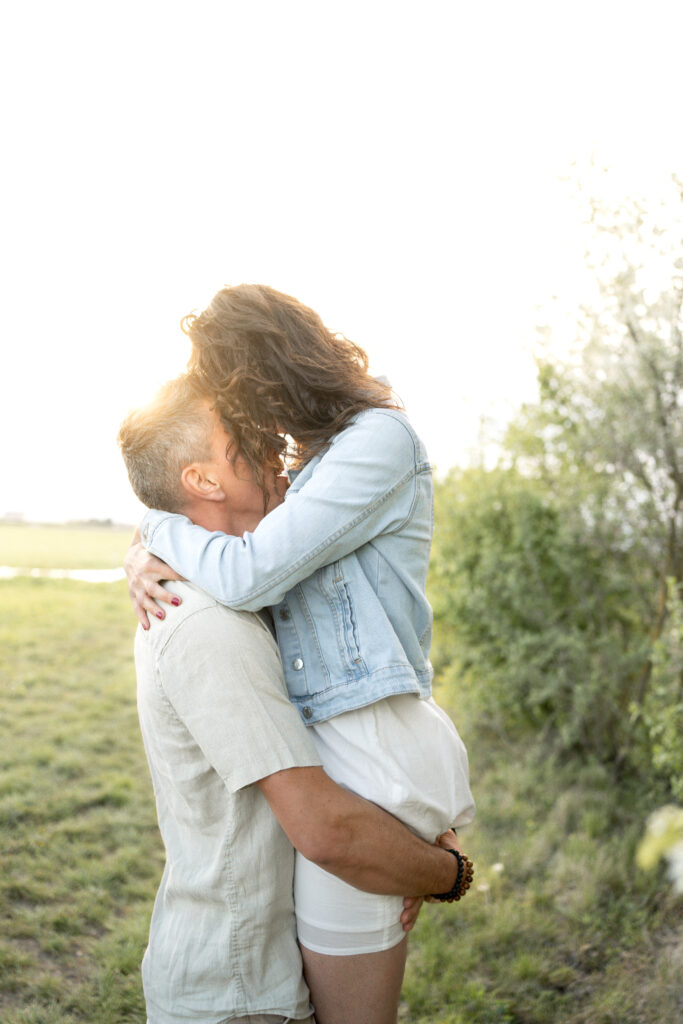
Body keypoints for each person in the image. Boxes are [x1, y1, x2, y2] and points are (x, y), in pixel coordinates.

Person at [124, 285, 475, 1024]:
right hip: (343, 752)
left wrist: (157, 529)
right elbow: (233, 536)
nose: (256, 433)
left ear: (262, 371)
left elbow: (251, 568)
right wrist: (149, 534)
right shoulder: (314, 460)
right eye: (236, 429)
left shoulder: (376, 441)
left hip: (368, 743)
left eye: (237, 399)